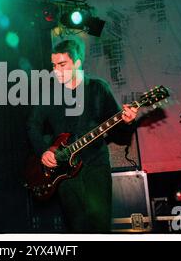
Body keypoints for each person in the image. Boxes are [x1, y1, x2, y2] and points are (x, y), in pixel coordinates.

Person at [27, 39, 138, 233]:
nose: (56, 70)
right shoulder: (49, 93)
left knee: (100, 223)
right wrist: (43, 151)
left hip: (95, 164)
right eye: (54, 65)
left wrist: (127, 122)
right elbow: (32, 125)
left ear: (77, 63)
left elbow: (118, 133)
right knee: (77, 226)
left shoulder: (97, 89)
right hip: (63, 171)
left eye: (62, 65)